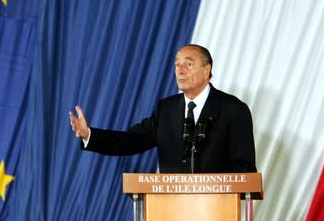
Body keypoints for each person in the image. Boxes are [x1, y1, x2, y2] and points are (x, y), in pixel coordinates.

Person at [69, 44, 256, 173]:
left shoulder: (233, 110)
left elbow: (244, 169)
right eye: (177, 65)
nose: (180, 70)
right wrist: (88, 134)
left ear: (207, 70)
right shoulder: (166, 109)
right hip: (171, 210)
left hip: (217, 211)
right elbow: (130, 140)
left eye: (188, 64)